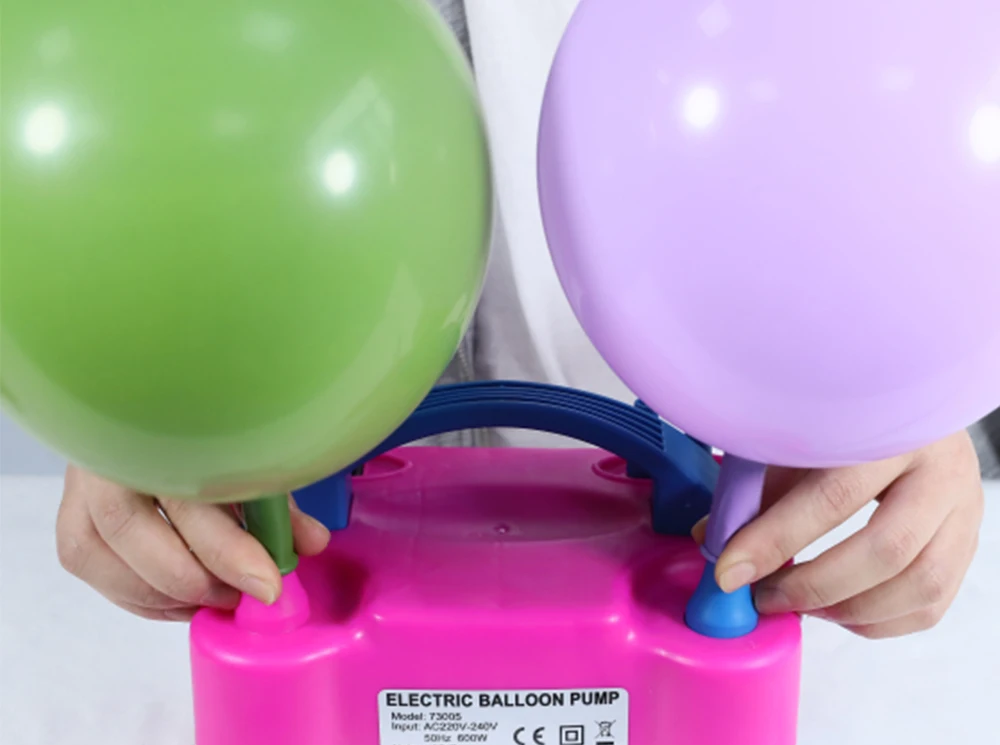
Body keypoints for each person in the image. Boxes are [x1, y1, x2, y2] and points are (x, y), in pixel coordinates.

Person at [55, 0, 997, 638]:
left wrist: (907, 405)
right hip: (305, 530)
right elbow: (102, 117)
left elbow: (926, 116)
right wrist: (126, 387)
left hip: (693, 526)